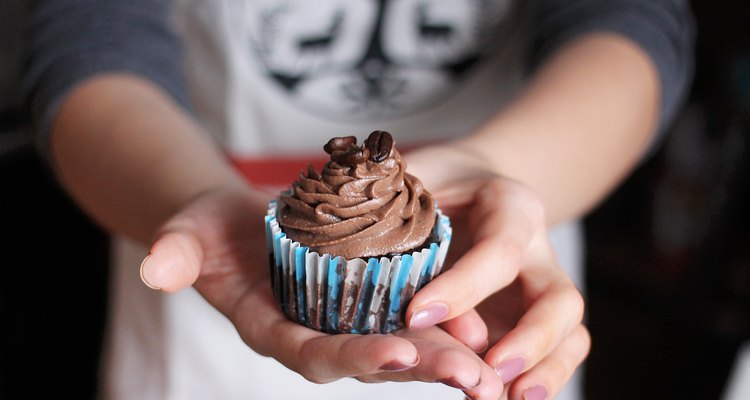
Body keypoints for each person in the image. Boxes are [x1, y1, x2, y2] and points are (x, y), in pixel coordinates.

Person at [21, 0, 694, 399]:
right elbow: (85, 43)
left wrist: (490, 168)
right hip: (197, 247)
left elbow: (635, 22)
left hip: (495, 249)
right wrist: (193, 193)